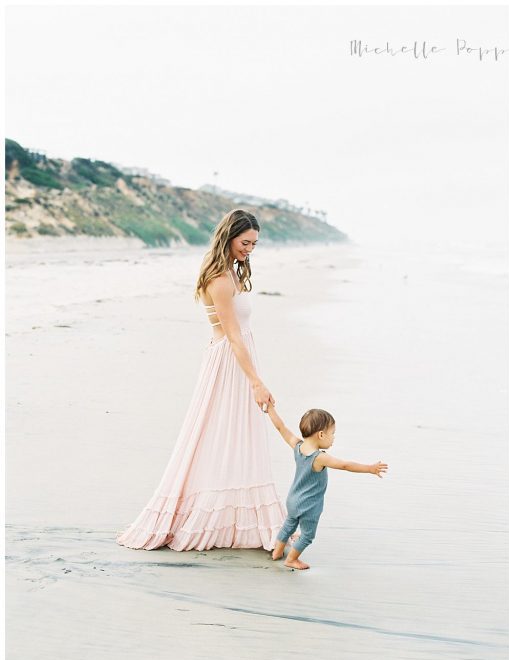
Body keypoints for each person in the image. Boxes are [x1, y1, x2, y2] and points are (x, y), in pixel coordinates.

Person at [117, 209, 286, 550]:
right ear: (229, 236)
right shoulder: (220, 280)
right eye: (245, 242)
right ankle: (208, 515)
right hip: (231, 363)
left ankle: (236, 518)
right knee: (218, 436)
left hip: (234, 360)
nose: (250, 249)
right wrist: (256, 381)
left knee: (233, 437)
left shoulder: (232, 274)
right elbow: (233, 336)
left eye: (254, 244)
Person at [265, 404, 388, 570]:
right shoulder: (319, 457)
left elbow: (281, 427)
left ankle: (277, 552)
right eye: (332, 433)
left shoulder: (297, 446)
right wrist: (369, 468)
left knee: (289, 525)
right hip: (309, 506)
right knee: (307, 535)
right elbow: (344, 465)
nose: (334, 438)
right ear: (321, 434)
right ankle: (291, 559)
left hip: (293, 500)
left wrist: (270, 409)